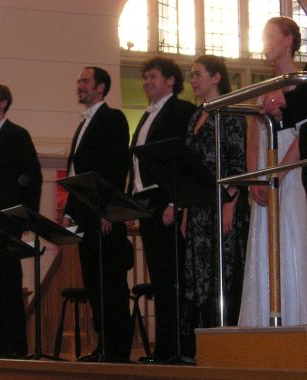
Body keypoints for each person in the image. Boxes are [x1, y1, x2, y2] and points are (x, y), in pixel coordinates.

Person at [61, 66, 133, 362]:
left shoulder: (112, 119)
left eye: (85, 81)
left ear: (101, 87)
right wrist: (69, 211)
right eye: (78, 80)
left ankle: (117, 349)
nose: (79, 85)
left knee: (111, 283)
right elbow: (75, 174)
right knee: (94, 282)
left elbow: (117, 169)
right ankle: (104, 345)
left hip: (103, 215)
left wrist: (108, 210)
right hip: (85, 215)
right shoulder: (83, 125)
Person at [239, 17, 307, 327]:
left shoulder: (301, 85)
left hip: (291, 177)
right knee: (265, 248)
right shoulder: (262, 90)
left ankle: (295, 318)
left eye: (270, 36)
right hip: (267, 177)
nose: (265, 41)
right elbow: (254, 141)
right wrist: (256, 178)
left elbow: (302, 137)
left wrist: (279, 173)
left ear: (289, 40)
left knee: (291, 239)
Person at [128, 57, 196, 364]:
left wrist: (174, 201)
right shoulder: (146, 116)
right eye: (144, 78)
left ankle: (179, 348)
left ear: (170, 80)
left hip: (166, 202)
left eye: (152, 76)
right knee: (160, 280)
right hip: (147, 204)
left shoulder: (181, 111)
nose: (146, 82)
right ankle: (164, 348)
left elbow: (182, 159)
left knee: (173, 278)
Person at [180, 55, 249, 358]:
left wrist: (231, 204)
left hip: (222, 204)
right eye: (191, 75)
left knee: (223, 270)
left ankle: (226, 345)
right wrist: (185, 210)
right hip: (198, 206)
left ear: (216, 77)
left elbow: (237, 162)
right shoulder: (197, 115)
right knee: (200, 276)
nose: (193, 80)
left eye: (198, 75)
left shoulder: (230, 111)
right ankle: (204, 345)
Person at [0, 83, 42, 358]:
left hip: (9, 220)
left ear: (4, 103)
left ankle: (14, 345)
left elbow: (32, 177)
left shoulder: (17, 135)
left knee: (9, 281)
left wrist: (25, 217)